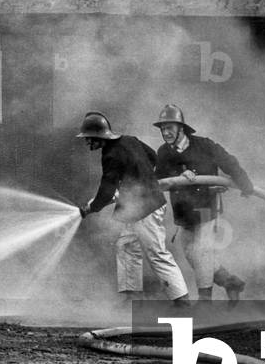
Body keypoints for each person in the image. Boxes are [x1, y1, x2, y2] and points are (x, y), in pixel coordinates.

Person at [77, 111, 191, 306]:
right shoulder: (130, 140)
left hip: (146, 209)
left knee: (157, 254)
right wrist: (138, 179)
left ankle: (182, 300)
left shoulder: (110, 155)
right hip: (136, 208)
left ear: (99, 136)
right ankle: (132, 297)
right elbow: (153, 156)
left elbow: (106, 191)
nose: (87, 143)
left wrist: (91, 209)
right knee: (126, 245)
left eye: (89, 138)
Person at [153, 104, 253, 303]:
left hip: (206, 208)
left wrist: (245, 184)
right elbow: (160, 179)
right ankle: (230, 283)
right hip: (184, 212)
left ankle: (205, 302)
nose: (166, 132)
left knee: (202, 252)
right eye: (163, 128)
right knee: (191, 255)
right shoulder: (163, 152)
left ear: (181, 128)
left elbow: (229, 162)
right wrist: (178, 174)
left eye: (170, 127)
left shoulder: (204, 146)